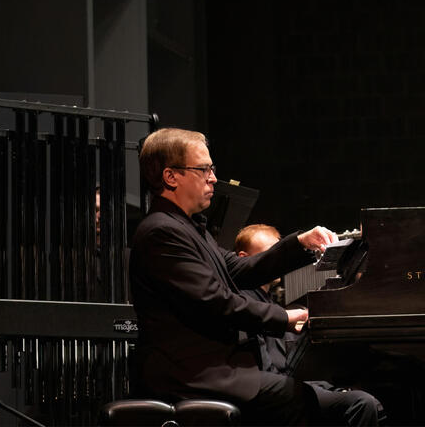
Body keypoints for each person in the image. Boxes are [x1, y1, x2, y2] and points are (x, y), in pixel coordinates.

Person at [129, 127, 339, 425]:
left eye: (211, 169)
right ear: (170, 176)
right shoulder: (162, 232)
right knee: (295, 397)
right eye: (203, 169)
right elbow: (216, 302)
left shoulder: (187, 228)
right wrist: (284, 317)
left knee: (309, 395)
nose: (213, 177)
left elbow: (240, 269)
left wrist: (300, 243)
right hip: (190, 373)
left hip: (212, 368)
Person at [235, 224, 385, 426]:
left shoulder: (266, 301)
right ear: (244, 258)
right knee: (361, 403)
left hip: (281, 386)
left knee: (362, 393)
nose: (278, 260)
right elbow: (270, 372)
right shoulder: (245, 303)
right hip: (265, 396)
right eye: (271, 253)